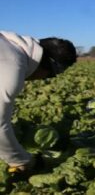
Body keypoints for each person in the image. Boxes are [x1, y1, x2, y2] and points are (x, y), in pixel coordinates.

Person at [0, 31, 77, 172]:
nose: (43, 79)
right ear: (47, 65)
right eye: (51, 76)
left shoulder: (8, 41)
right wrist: (20, 160)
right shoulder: (13, 64)